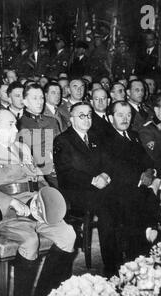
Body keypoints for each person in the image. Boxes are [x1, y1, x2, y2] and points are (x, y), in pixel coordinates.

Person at [0, 108, 76, 296]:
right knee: (30, 241)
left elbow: (40, 179)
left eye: (15, 125)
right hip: (8, 214)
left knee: (68, 235)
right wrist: (11, 201)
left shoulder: (23, 149)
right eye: (10, 125)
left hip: (36, 208)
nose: (15, 129)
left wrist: (44, 198)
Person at [53, 102, 116, 276]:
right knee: (107, 208)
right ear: (71, 119)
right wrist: (92, 180)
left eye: (89, 115)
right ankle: (112, 267)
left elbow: (109, 162)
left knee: (122, 198)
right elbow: (66, 172)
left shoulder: (96, 137)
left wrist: (105, 175)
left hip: (99, 186)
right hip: (76, 191)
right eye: (82, 115)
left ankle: (126, 256)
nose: (87, 119)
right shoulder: (62, 140)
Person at [104, 101, 160, 268]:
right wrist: (140, 178)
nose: (125, 118)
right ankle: (137, 260)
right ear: (110, 117)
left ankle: (152, 254)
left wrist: (150, 172)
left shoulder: (134, 135)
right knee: (138, 206)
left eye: (128, 115)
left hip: (139, 189)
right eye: (120, 115)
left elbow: (148, 161)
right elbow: (113, 170)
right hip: (118, 191)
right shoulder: (105, 140)